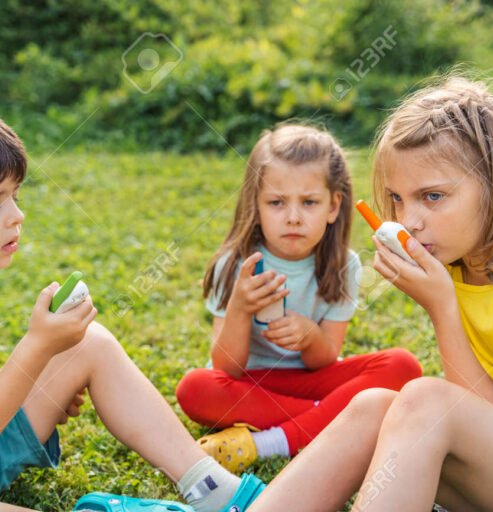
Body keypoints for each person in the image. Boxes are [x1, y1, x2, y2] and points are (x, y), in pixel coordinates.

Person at [246, 77, 493, 511]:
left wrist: (441, 308)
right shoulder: (460, 260)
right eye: (397, 198)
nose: (409, 220)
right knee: (375, 407)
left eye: (432, 196)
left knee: (425, 401)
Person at [0, 90, 263, 512]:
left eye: (13, 198)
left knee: (86, 342)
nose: (15, 216)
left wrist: (42, 371)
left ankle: (210, 487)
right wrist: (36, 349)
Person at [175, 124, 422, 473]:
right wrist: (240, 309)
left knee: (403, 367)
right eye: (276, 202)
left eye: (309, 202)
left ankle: (267, 443)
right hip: (254, 384)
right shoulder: (235, 265)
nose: (293, 217)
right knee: (195, 388)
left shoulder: (343, 266)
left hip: (312, 380)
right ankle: (337, 418)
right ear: (256, 205)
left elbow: (324, 359)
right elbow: (227, 367)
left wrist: (309, 335)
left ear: (334, 206)